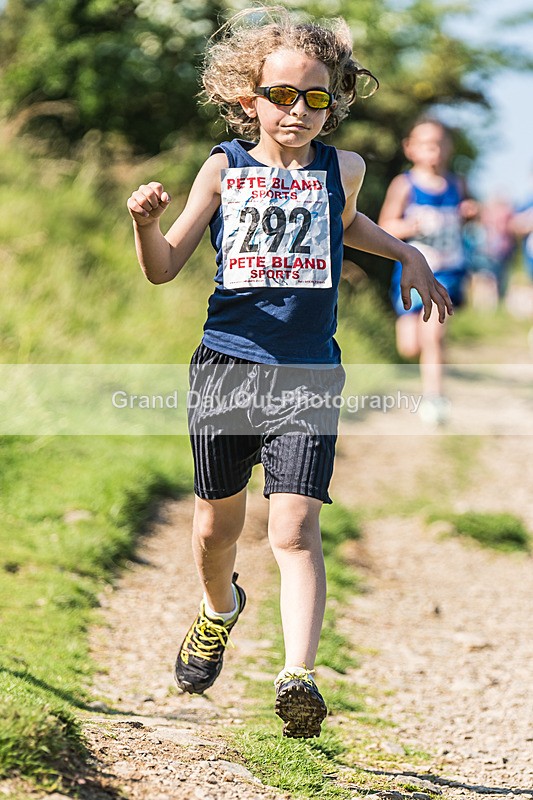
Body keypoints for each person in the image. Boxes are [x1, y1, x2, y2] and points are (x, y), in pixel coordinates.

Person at [127, 7, 452, 739]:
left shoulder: (347, 168)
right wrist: (146, 223)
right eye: (281, 96)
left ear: (330, 104)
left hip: (307, 373)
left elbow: (345, 224)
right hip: (226, 366)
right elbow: (162, 269)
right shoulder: (223, 167)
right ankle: (219, 612)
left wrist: (408, 253)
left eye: (314, 98)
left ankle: (297, 676)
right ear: (251, 100)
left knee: (296, 529)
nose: (297, 111)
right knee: (217, 527)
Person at [378, 117, 474, 425]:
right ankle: (429, 375)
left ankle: (435, 398)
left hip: (447, 271)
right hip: (412, 274)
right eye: (426, 144)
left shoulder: (457, 184)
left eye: (439, 143)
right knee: (410, 346)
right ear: (410, 148)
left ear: (448, 147)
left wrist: (470, 214)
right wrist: (409, 226)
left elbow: (467, 215)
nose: (434, 150)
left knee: (434, 333)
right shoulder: (404, 185)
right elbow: (384, 227)